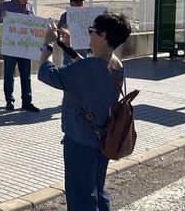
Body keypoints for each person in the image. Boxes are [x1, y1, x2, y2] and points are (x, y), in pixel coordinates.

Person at [37, 13, 130, 211]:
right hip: (103, 138)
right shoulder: (116, 64)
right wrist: (68, 49)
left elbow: (45, 73)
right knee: (97, 190)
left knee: (80, 196)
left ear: (103, 36)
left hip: (80, 140)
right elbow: (89, 69)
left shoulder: (89, 68)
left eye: (91, 31)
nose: (89, 36)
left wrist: (48, 46)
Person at [0, 0, 40, 112]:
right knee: (9, 75)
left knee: (26, 75)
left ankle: (27, 101)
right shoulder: (6, 5)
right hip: (11, 47)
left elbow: (34, 23)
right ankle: (9, 101)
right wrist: (1, 17)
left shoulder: (30, 6)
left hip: (25, 47)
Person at [59, 0, 88, 65]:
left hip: (83, 52)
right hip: (69, 53)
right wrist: (62, 30)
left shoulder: (87, 15)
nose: (80, 4)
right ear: (71, 3)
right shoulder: (65, 16)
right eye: (77, 2)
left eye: (81, 2)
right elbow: (59, 35)